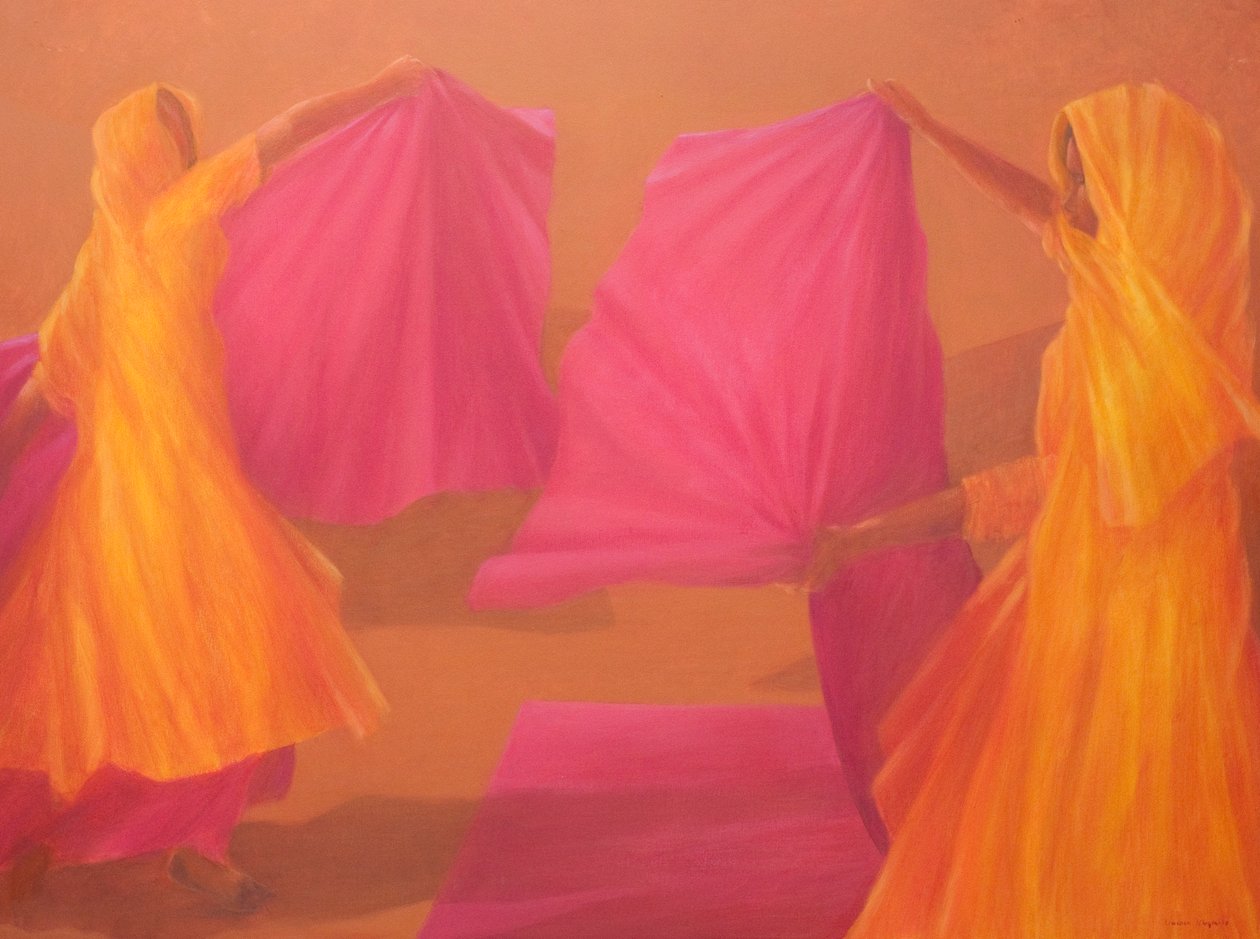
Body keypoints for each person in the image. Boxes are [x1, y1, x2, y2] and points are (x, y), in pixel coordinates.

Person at [805, 80, 1260, 936]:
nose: (1071, 203)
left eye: (1092, 183)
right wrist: (866, 536)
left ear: (1152, 203)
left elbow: (1057, 484)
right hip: (1076, 627)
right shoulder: (1122, 326)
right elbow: (1047, 484)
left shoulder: (1172, 360)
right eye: (1073, 179)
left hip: (1150, 653)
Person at [0, 56, 429, 914]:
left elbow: (43, 396)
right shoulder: (168, 222)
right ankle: (62, 838)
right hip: (154, 509)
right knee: (183, 674)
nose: (188, 152)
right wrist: (384, 83)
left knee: (161, 678)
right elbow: (288, 129)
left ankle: (184, 844)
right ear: (143, 155)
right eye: (173, 140)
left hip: (145, 505)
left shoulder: (102, 264)